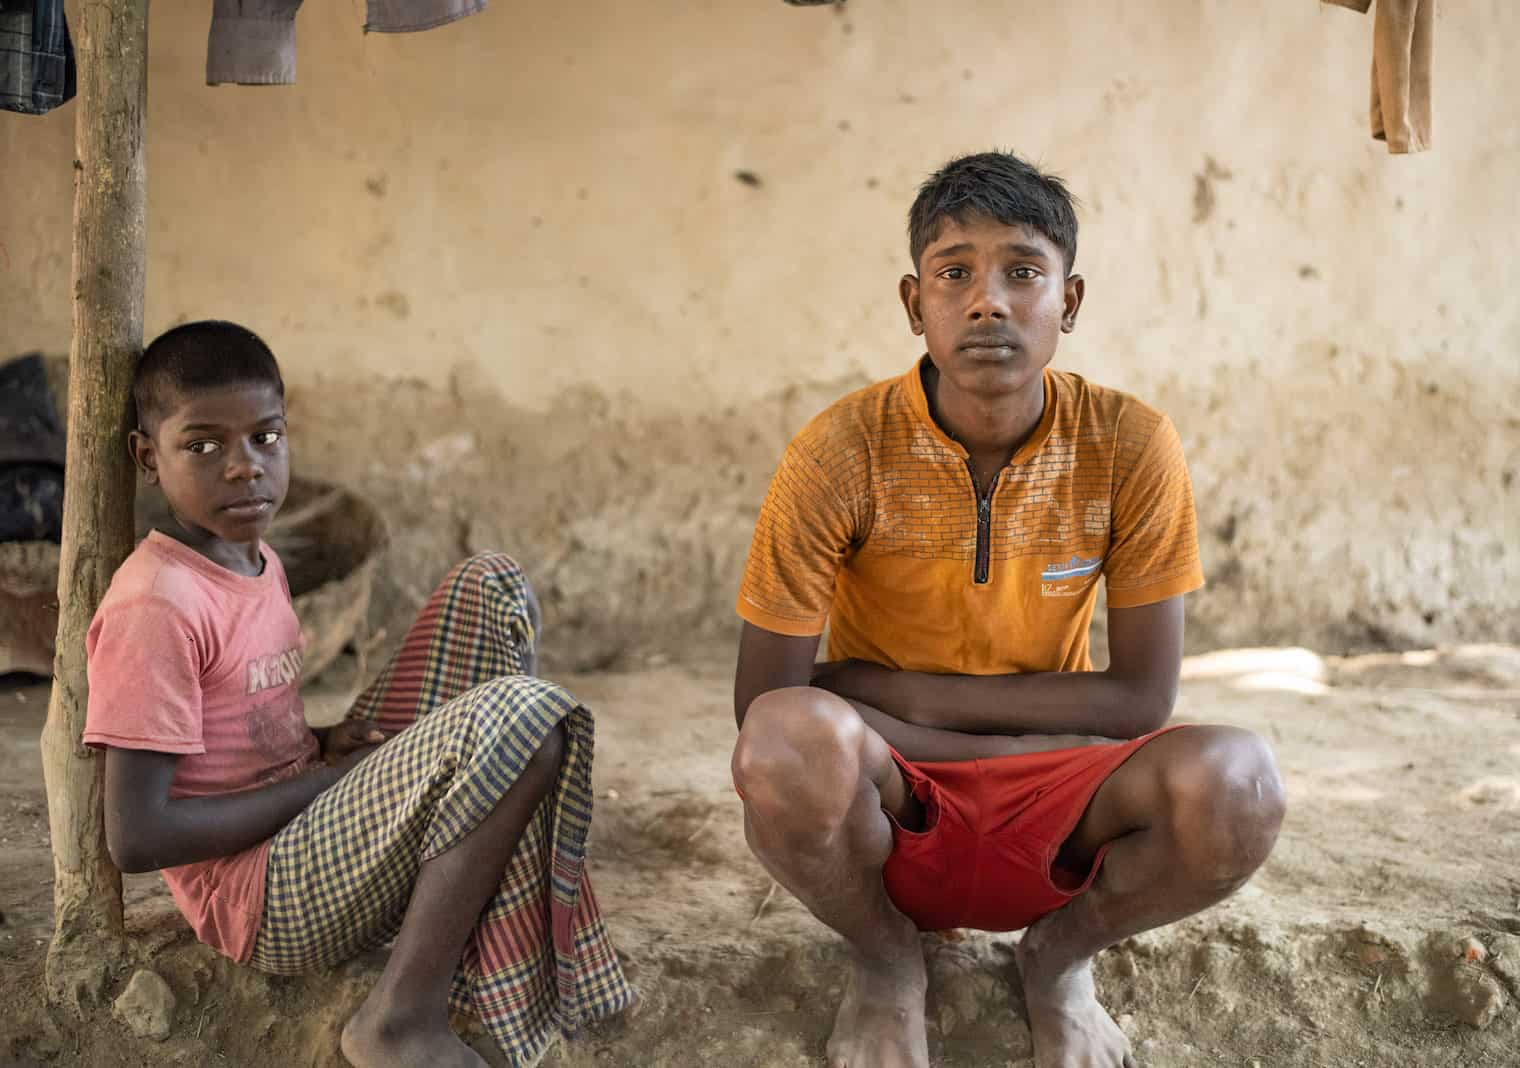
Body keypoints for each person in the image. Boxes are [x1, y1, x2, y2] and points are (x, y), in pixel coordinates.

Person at [730, 152, 1286, 1068]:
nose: (989, 301)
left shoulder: (1127, 444)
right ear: (916, 305)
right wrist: (973, 743)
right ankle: (883, 960)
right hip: (891, 789)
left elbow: (1144, 701)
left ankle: (1062, 960)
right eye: (955, 273)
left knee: (1242, 779)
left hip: (1063, 794)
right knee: (789, 743)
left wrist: (906, 695)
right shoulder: (839, 451)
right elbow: (765, 709)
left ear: (1068, 303)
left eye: (1023, 271)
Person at [83, 320, 633, 1068]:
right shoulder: (160, 603)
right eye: (203, 446)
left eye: (265, 438)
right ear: (149, 458)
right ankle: (400, 1018)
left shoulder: (256, 559)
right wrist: (326, 782)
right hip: (262, 897)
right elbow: (137, 838)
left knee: (489, 587)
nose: (244, 468)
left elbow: (239, 728)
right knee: (525, 724)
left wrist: (320, 745)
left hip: (309, 819)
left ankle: (463, 912)